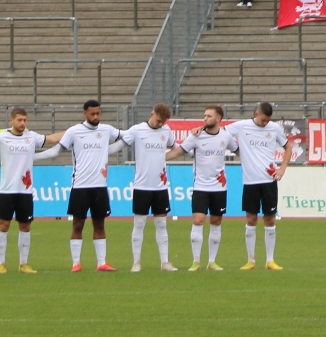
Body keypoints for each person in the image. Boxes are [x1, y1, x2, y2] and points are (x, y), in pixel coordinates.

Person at [0, 107, 63, 273]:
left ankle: (23, 264)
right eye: (19, 120)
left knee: (25, 226)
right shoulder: (2, 137)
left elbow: (51, 139)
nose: (22, 123)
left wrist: (72, 132)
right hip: (7, 190)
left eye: (25, 120)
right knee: (3, 225)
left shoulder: (31, 137)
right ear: (11, 120)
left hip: (25, 191)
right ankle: (1, 264)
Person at [225, 102, 291, 270]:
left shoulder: (274, 128)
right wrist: (236, 149)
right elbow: (221, 133)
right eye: (263, 120)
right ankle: (251, 261)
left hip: (269, 180)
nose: (265, 123)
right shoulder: (242, 126)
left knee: (270, 219)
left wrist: (282, 168)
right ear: (256, 114)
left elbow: (288, 147)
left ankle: (270, 260)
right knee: (251, 219)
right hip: (250, 181)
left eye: (268, 120)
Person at [59, 100, 123, 271]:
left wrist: (110, 149)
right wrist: (34, 157)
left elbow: (127, 136)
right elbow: (58, 149)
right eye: (92, 114)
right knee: (78, 224)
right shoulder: (74, 131)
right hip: (80, 186)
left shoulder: (106, 130)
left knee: (99, 224)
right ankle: (76, 263)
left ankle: (101, 263)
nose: (96, 117)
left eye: (98, 113)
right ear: (85, 113)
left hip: (99, 186)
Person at [121, 103, 182, 273]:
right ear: (151, 114)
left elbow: (176, 148)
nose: (160, 124)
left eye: (163, 122)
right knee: (139, 223)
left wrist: (194, 150)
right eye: (158, 120)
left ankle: (165, 262)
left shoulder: (166, 131)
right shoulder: (137, 130)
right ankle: (136, 262)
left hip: (160, 185)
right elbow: (120, 145)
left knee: (161, 224)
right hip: (142, 185)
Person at [177, 105, 233, 270]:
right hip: (200, 186)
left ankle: (212, 262)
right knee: (198, 220)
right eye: (204, 116)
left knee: (216, 221)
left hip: (219, 187)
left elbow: (239, 151)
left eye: (209, 116)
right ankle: (196, 261)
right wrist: (160, 157)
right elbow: (180, 150)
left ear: (218, 119)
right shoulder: (196, 136)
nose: (205, 118)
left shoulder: (226, 136)